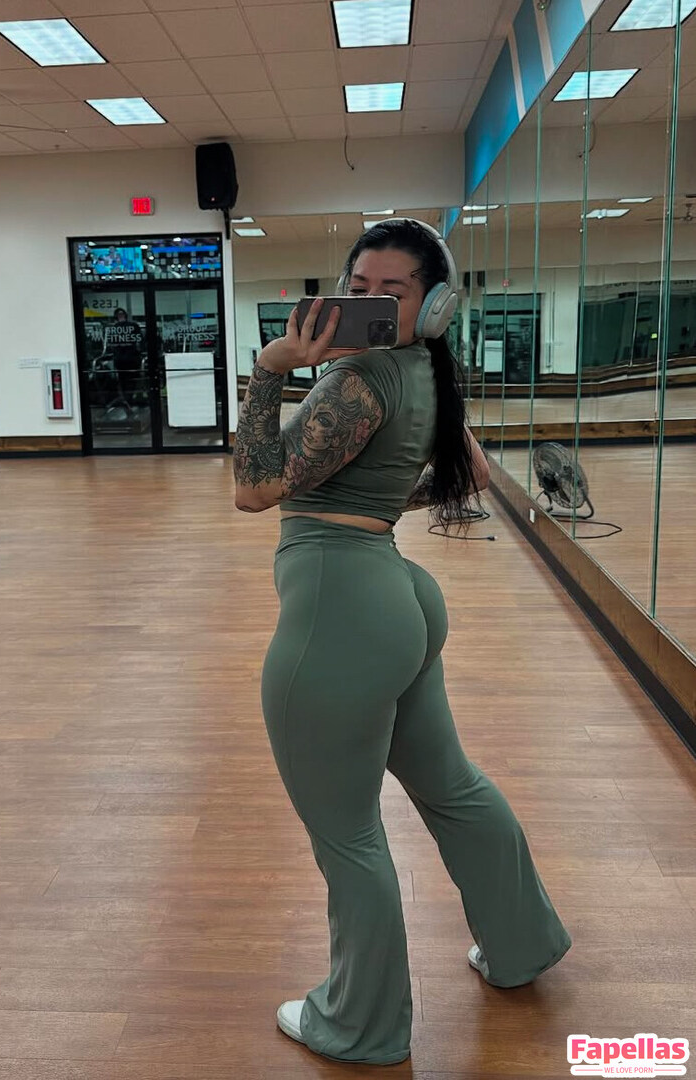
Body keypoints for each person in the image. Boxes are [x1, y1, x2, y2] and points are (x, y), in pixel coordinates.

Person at [232, 219, 571, 1066]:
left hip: (342, 610)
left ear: (436, 303)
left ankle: (361, 1027)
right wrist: (374, 501)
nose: (372, 303)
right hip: (396, 596)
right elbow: (471, 475)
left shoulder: (355, 380)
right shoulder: (424, 371)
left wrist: (270, 370)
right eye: (360, 288)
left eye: (394, 291)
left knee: (347, 835)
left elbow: (255, 487)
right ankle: (521, 944)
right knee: (450, 786)